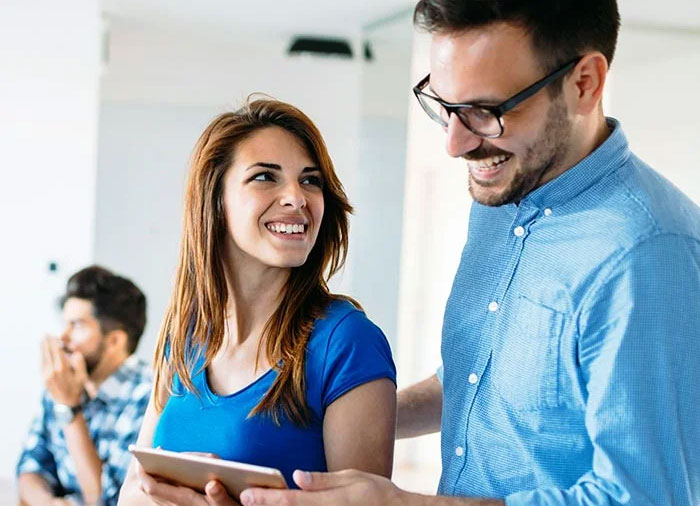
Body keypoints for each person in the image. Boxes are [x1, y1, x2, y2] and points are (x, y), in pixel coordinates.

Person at [236, 1, 700, 506]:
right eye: (444, 106)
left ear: (584, 83)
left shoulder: (650, 254)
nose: (455, 145)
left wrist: (405, 505)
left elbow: (649, 497)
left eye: (486, 111)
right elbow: (484, 380)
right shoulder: (504, 198)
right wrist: (321, 419)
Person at [117, 98, 397, 505]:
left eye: (310, 180)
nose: (297, 198)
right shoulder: (184, 335)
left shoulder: (347, 342)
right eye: (266, 177)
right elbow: (130, 492)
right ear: (216, 201)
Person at [17, 265, 151, 506]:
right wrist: (48, 502)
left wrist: (70, 409)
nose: (63, 337)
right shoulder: (61, 382)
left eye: (77, 325)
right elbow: (31, 466)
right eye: (65, 323)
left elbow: (108, 500)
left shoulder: (149, 396)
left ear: (114, 341)